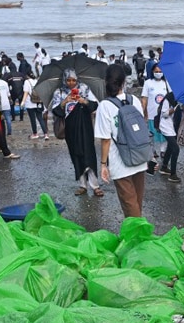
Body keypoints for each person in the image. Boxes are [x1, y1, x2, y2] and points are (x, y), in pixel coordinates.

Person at [95, 64, 147, 218]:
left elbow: (105, 140)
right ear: (124, 82)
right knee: (137, 202)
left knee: (129, 205)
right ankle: (140, 233)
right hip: (140, 157)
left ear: (106, 82)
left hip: (120, 162)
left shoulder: (105, 106)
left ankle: (137, 237)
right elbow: (142, 129)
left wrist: (103, 165)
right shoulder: (134, 100)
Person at [52, 68, 102, 197]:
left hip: (85, 127)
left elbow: (94, 105)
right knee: (76, 155)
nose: (71, 83)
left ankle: (95, 185)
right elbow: (55, 110)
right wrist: (64, 102)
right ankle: (82, 185)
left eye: (74, 80)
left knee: (89, 154)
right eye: (68, 80)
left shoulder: (84, 88)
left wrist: (83, 101)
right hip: (70, 128)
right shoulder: (60, 92)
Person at [141, 64, 170, 170]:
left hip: (164, 114)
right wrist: (144, 112)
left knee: (163, 134)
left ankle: (163, 151)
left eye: (160, 71)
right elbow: (144, 98)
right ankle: (153, 151)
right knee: (152, 134)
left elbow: (171, 97)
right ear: (152, 72)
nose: (158, 73)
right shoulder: (148, 83)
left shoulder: (166, 83)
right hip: (152, 114)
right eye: (156, 71)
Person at [157, 91, 180, 182]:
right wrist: (173, 109)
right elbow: (164, 114)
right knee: (176, 149)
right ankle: (173, 174)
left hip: (172, 127)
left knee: (170, 147)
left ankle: (164, 167)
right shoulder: (168, 99)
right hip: (166, 126)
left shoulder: (178, 99)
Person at [22, 71, 48, 140]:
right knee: (40, 118)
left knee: (32, 119)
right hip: (38, 102)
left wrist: (22, 102)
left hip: (30, 103)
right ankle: (46, 134)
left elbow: (26, 93)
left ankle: (35, 134)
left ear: (27, 76)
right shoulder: (37, 81)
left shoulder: (27, 82)